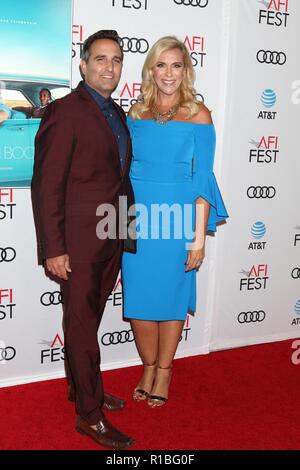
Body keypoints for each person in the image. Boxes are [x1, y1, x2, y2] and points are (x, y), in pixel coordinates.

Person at [31, 30, 135, 449]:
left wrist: (124, 230)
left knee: (86, 320)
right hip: (76, 242)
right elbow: (47, 185)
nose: (109, 67)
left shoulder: (115, 111)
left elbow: (117, 175)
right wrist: (54, 248)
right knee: (80, 323)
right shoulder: (65, 112)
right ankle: (89, 416)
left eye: (116, 60)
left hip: (111, 232)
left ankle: (81, 388)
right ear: (83, 64)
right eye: (100, 59)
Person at [122, 36, 228, 407]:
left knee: (171, 296)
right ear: (151, 69)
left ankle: (164, 370)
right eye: (161, 65)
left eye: (176, 65)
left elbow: (203, 181)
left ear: (186, 70)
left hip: (180, 217)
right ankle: (147, 365)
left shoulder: (199, 114)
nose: (169, 73)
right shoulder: (135, 113)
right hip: (136, 217)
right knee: (138, 297)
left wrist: (198, 238)